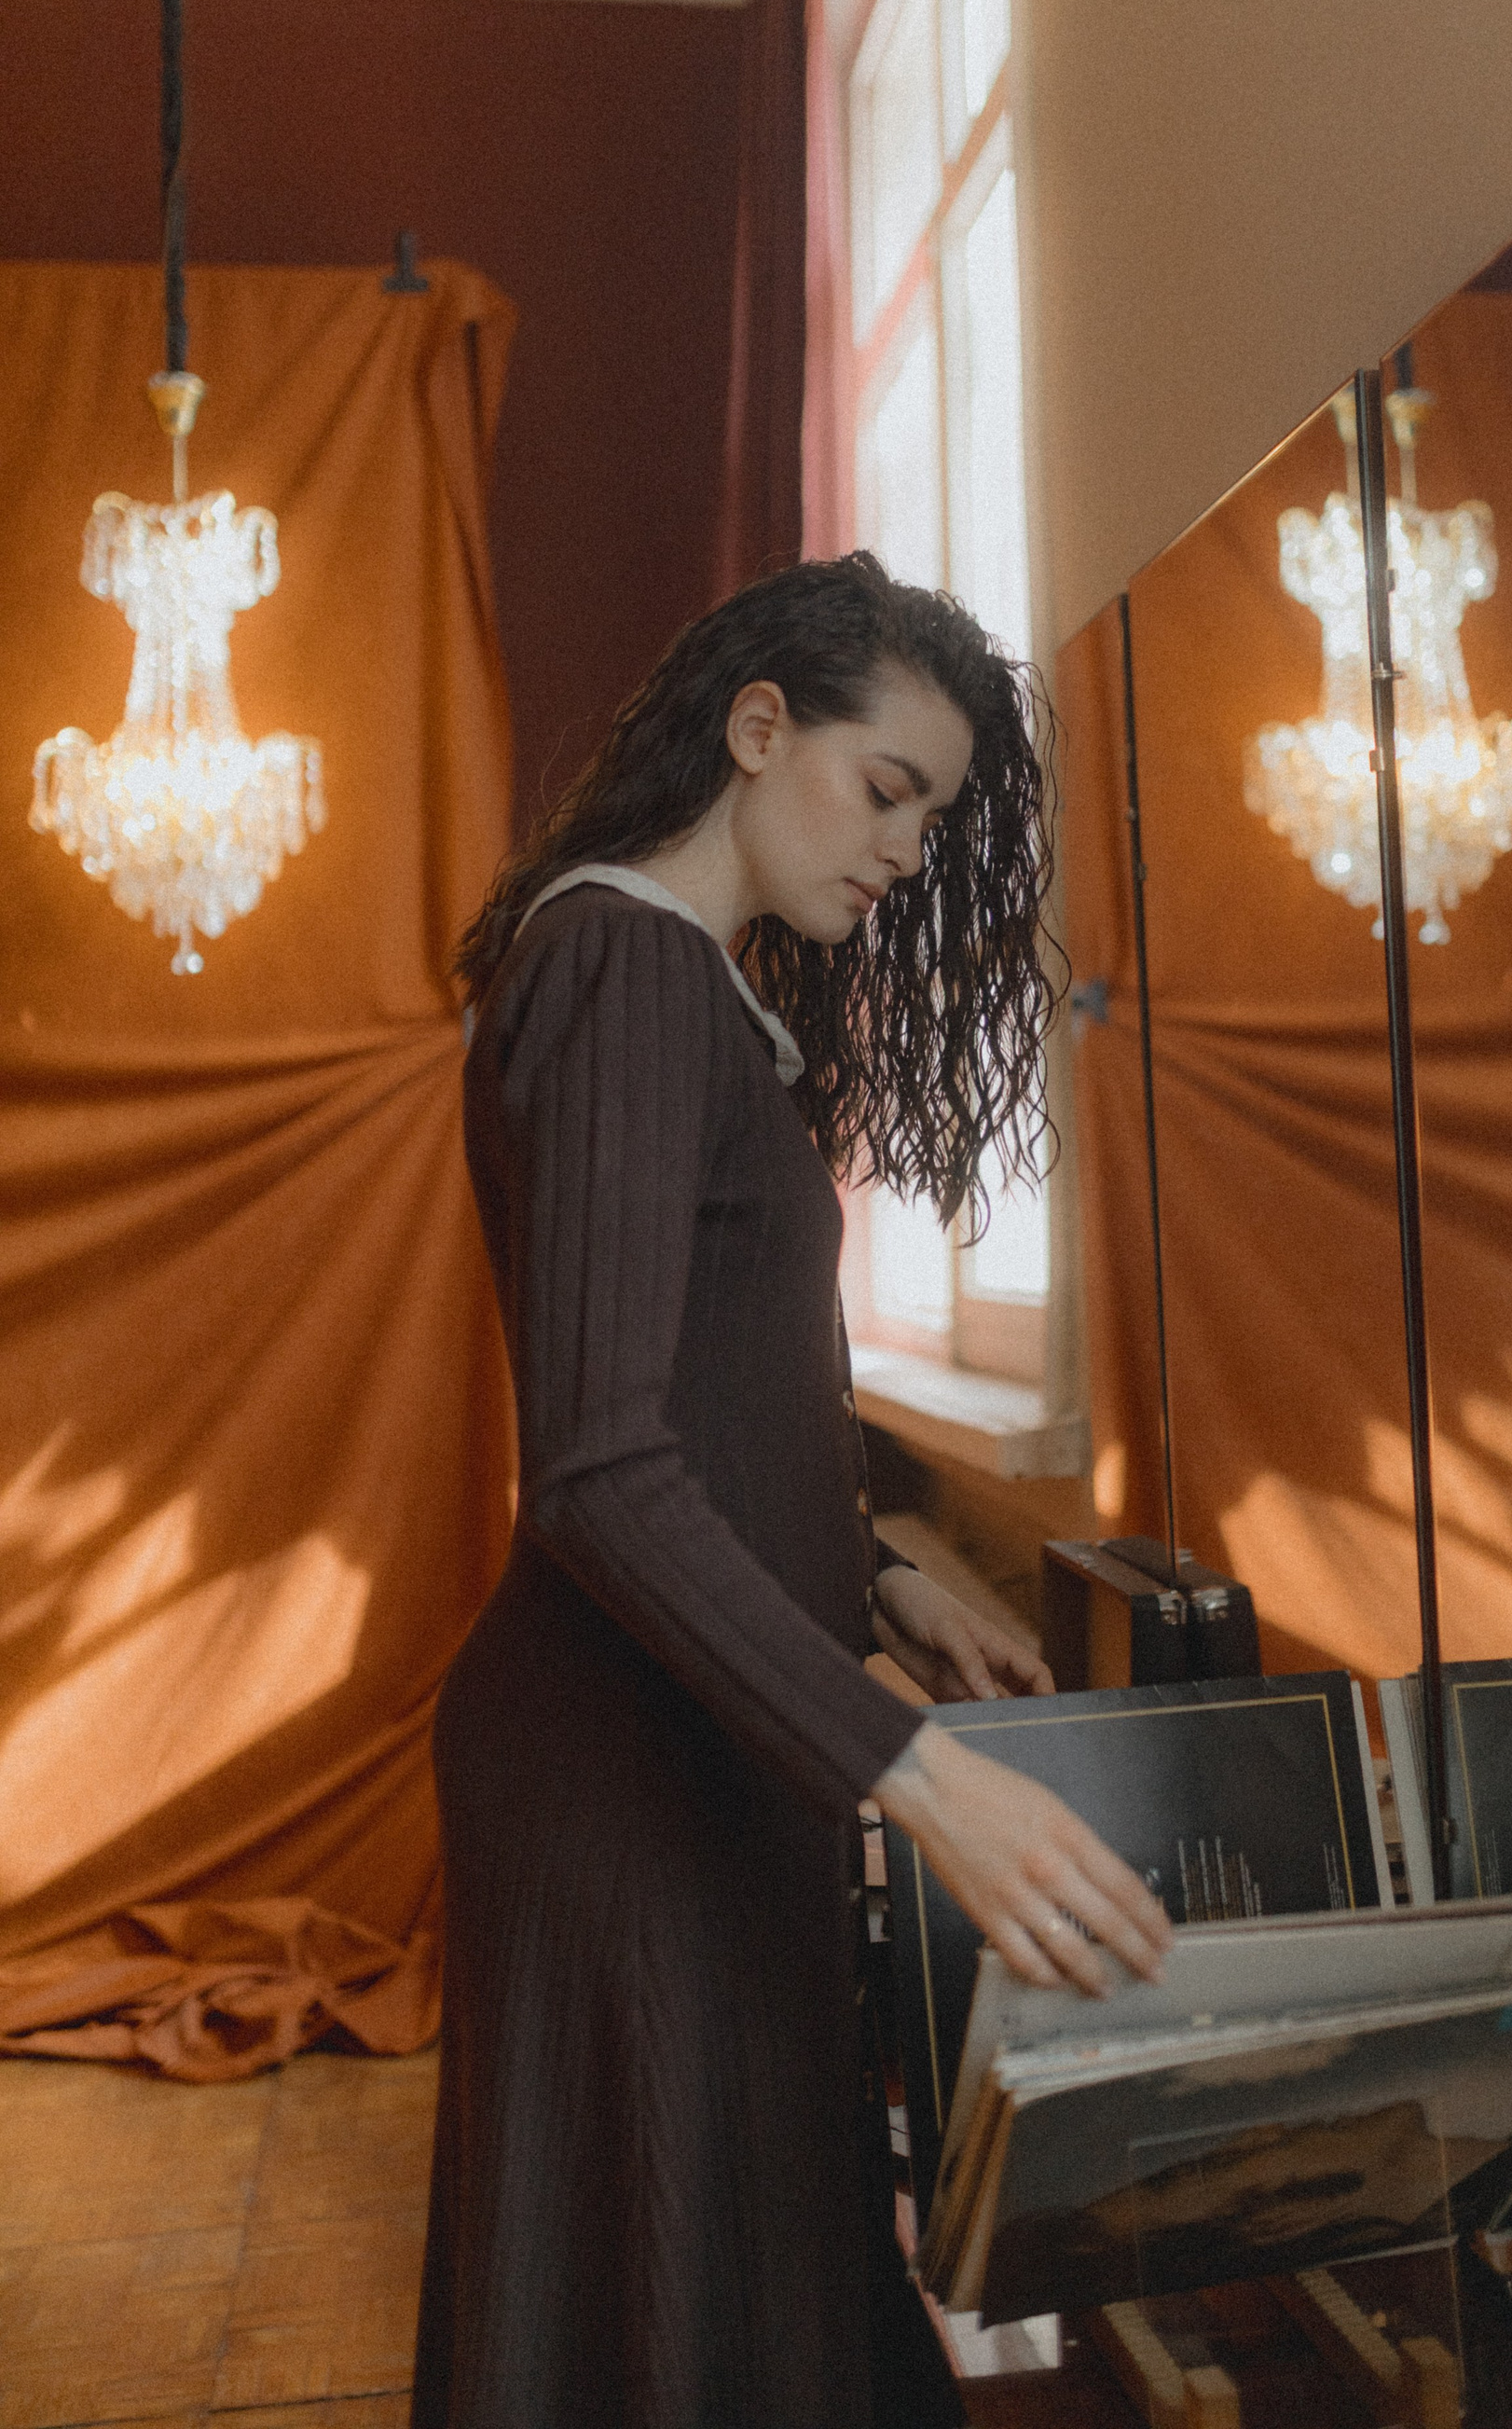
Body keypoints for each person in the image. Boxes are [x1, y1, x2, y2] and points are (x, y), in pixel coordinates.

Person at [413, 554, 1172, 2429]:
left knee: (760, 2298)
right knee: (672, 2315)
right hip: (617, 1775)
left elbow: (703, 1388)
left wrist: (880, 1576)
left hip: (714, 1747)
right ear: (758, 730)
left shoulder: (680, 985)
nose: (908, 849)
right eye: (885, 788)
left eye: (933, 815)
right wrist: (922, 1777)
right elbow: (598, 1474)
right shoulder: (621, 966)